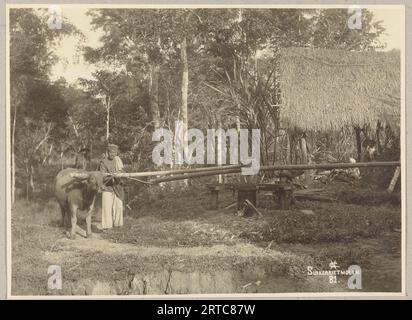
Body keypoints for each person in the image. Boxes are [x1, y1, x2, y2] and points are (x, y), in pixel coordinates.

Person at [99, 144, 124, 230]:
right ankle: (107, 226)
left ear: (116, 153)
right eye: (111, 152)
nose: (112, 154)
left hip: (117, 187)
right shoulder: (103, 162)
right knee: (107, 207)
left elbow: (122, 171)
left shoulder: (118, 160)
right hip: (107, 187)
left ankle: (118, 224)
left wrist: (120, 175)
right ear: (108, 152)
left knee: (119, 206)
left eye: (114, 152)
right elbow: (102, 176)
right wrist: (111, 176)